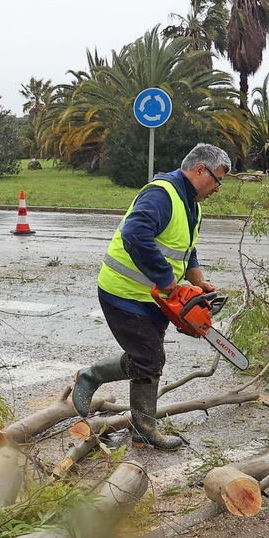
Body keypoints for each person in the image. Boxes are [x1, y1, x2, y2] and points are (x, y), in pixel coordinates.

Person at [71, 144, 229, 449]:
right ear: (200, 170)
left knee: (146, 358)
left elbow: (184, 247)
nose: (217, 189)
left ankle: (105, 391)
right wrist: (167, 281)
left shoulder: (191, 204)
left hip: (153, 299)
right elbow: (135, 234)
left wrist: (197, 279)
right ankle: (135, 421)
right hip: (123, 291)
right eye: (217, 180)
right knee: (150, 357)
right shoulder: (161, 194)